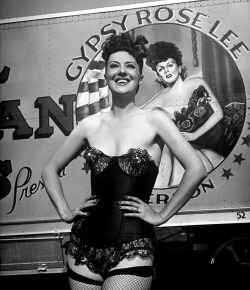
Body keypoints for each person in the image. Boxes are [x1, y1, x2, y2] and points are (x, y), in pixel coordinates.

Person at [42, 33, 207, 290]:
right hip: (82, 250)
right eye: (114, 66)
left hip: (133, 249)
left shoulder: (156, 120)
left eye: (130, 66)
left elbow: (196, 168)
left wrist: (162, 215)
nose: (122, 72)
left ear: (141, 77)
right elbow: (50, 170)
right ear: (105, 75)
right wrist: (65, 212)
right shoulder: (89, 125)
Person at [145, 41, 224, 188]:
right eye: (161, 69)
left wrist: (195, 135)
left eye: (170, 65)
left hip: (199, 146)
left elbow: (218, 113)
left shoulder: (197, 83)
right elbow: (135, 115)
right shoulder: (157, 100)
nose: (167, 71)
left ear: (179, 67)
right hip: (175, 153)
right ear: (158, 75)